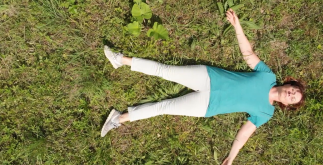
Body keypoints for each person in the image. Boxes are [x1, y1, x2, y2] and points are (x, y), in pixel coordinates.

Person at [100, 9, 305, 165]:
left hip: (207, 106)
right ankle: (120, 60)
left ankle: (118, 118)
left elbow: (244, 134)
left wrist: (231, 158)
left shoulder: (266, 112)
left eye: (293, 98)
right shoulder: (268, 76)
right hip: (208, 77)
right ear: (289, 83)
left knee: (164, 107)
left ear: (286, 104)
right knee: (165, 70)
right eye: (294, 90)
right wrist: (237, 26)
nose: (291, 93)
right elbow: (248, 54)